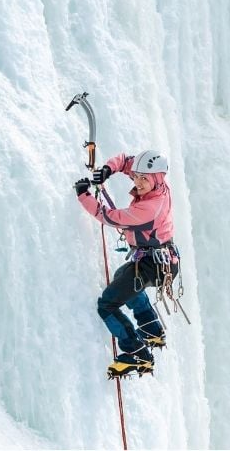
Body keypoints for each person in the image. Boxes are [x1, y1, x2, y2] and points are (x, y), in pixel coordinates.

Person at [74, 150, 179, 377]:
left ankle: (137, 352)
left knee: (108, 304)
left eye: (144, 179)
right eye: (137, 177)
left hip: (156, 265)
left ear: (157, 179)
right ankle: (151, 328)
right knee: (124, 278)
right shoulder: (155, 183)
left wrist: (84, 196)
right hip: (159, 260)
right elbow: (124, 160)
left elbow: (109, 216)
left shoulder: (150, 208)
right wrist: (107, 170)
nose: (138, 182)